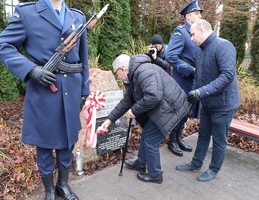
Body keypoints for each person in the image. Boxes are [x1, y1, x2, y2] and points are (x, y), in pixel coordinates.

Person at [0, 0, 89, 199]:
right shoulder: (27, 13)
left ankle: (62, 185)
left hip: (71, 89)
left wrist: (84, 89)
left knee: (68, 141)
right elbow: (2, 45)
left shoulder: (77, 17)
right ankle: (49, 190)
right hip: (44, 90)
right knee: (44, 143)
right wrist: (31, 69)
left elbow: (82, 57)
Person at [100, 54, 190, 184]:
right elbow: (127, 101)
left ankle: (155, 175)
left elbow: (154, 96)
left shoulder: (143, 71)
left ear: (122, 68)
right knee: (148, 134)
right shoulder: (135, 74)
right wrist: (109, 121)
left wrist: (134, 110)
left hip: (171, 109)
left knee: (150, 141)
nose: (117, 77)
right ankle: (141, 163)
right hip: (165, 108)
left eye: (116, 74)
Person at [176, 19, 240, 182]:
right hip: (208, 103)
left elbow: (227, 76)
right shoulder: (201, 50)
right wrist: (193, 95)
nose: (191, 39)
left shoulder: (223, 46)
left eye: (192, 35)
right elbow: (199, 76)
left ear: (202, 30)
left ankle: (213, 169)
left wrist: (201, 92)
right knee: (203, 135)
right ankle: (196, 163)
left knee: (219, 140)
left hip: (224, 105)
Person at [165, 0, 203, 156]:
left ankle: (179, 138)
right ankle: (171, 141)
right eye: (196, 13)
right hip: (182, 79)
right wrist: (190, 70)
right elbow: (171, 56)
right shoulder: (180, 32)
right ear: (188, 16)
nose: (200, 15)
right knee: (178, 110)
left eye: (199, 13)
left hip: (194, 79)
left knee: (187, 111)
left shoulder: (198, 32)